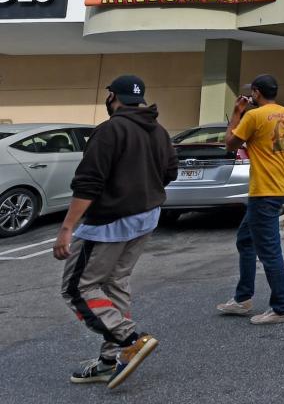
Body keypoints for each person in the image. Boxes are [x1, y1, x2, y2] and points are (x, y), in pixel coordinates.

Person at [54, 75, 178, 389]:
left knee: (79, 288)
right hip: (145, 219)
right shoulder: (159, 131)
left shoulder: (109, 131)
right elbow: (170, 173)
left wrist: (67, 228)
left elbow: (88, 184)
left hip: (109, 224)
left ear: (113, 97)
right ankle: (110, 362)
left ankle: (131, 339)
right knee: (114, 284)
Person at [217, 74, 284, 324]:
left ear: (256, 92)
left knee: (269, 251)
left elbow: (230, 143)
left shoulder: (253, 116)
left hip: (264, 191)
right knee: (246, 239)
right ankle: (243, 298)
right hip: (282, 187)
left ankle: (283, 306)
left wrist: (236, 111)